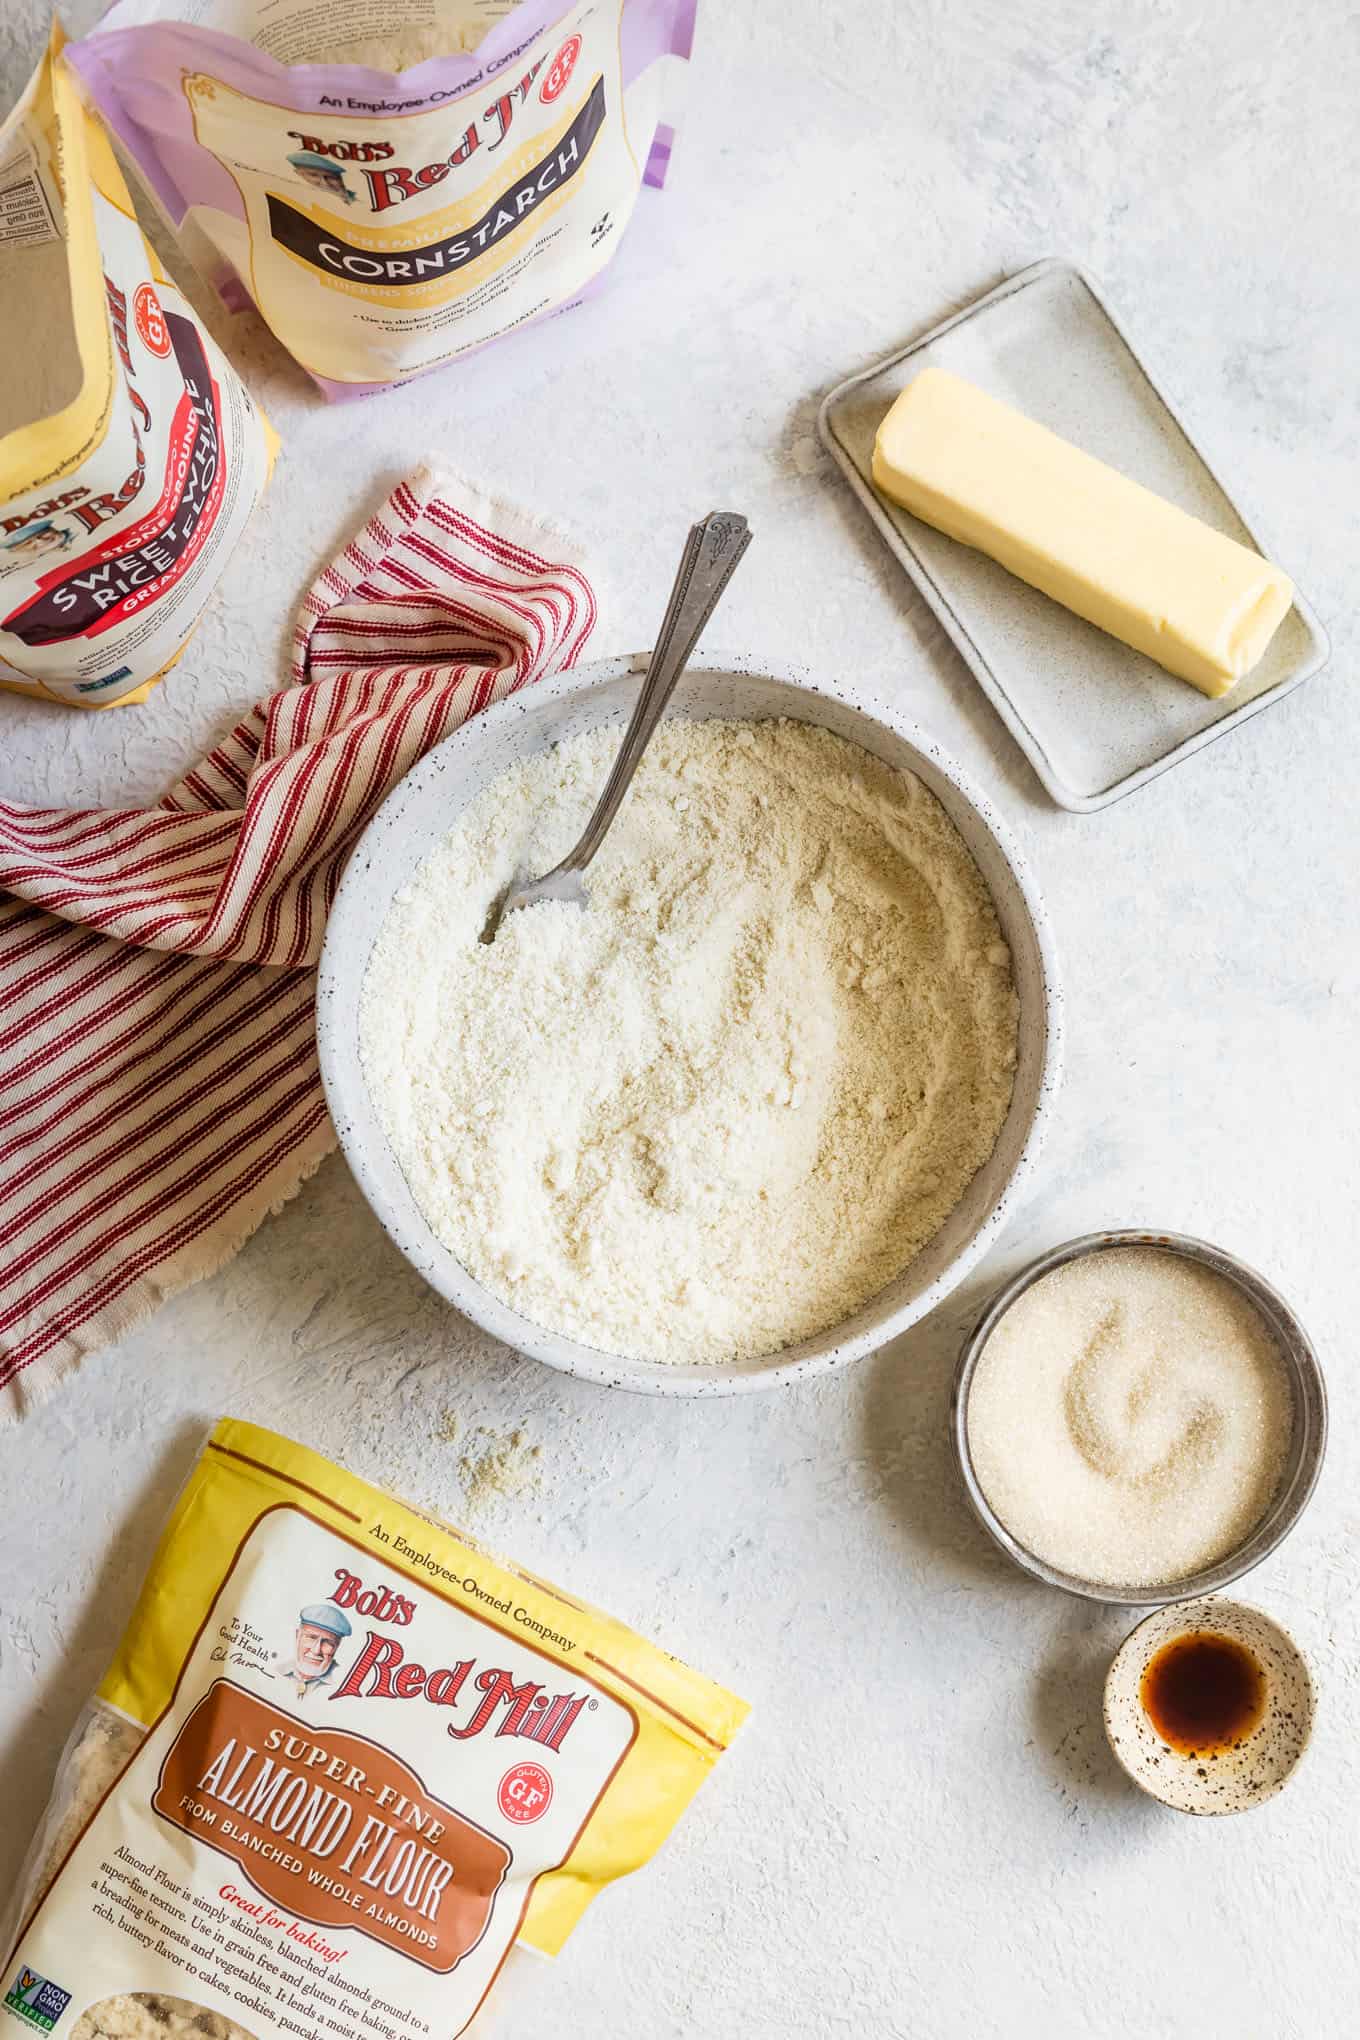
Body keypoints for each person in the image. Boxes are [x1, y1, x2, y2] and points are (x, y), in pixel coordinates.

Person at [281, 1601, 352, 1697]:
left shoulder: (341, 1683)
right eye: (311, 1637)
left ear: (337, 1646)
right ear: (298, 1635)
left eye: (328, 1642)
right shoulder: (279, 1669)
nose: (316, 1650)